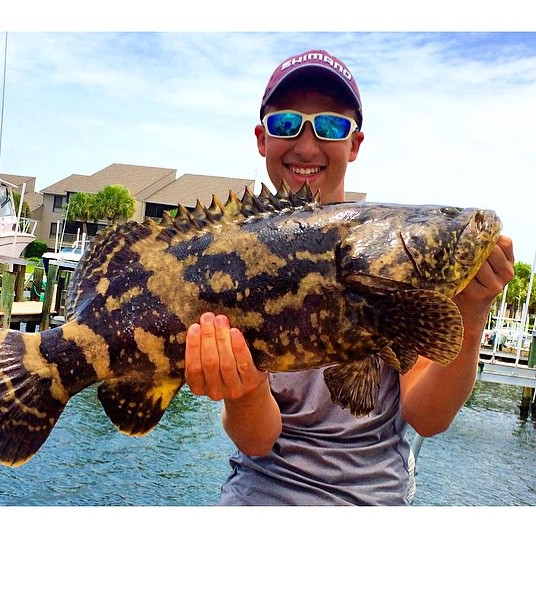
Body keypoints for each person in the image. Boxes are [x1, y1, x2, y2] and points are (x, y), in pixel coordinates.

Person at [183, 49, 515, 505]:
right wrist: (243, 392)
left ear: (354, 143)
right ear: (262, 138)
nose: (306, 145)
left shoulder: (391, 262)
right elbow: (257, 440)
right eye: (286, 124)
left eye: (330, 127)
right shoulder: (238, 257)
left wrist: (472, 313)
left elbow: (428, 417)